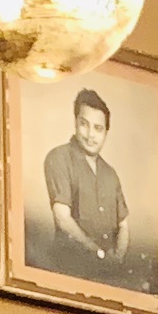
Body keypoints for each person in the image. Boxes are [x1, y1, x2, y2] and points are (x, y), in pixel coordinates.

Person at [38, 84, 130, 278]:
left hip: (108, 273)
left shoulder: (111, 174)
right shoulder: (58, 158)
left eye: (98, 128)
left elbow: (124, 225)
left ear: (106, 132)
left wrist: (117, 258)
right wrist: (97, 252)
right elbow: (62, 218)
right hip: (69, 270)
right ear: (75, 122)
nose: (90, 135)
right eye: (84, 124)